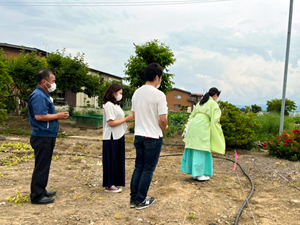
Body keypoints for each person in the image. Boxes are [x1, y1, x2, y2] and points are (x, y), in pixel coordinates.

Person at [130, 62, 168, 210]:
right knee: (148, 169)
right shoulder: (159, 95)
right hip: (153, 136)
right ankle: (141, 199)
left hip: (139, 135)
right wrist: (164, 128)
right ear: (157, 77)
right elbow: (163, 119)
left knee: (138, 166)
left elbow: (134, 114)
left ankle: (134, 198)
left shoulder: (136, 93)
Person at [28, 69, 69, 204]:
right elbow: (39, 116)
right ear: (44, 82)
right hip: (42, 136)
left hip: (47, 135)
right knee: (41, 165)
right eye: (53, 81)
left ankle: (41, 190)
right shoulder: (39, 95)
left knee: (44, 165)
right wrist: (58, 116)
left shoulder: (43, 94)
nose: (54, 83)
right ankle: (37, 196)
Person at [180, 87, 225, 181]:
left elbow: (192, 115)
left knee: (194, 147)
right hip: (203, 125)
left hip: (193, 124)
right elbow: (216, 118)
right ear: (215, 95)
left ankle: (195, 173)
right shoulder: (213, 103)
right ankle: (199, 173)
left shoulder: (200, 103)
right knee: (201, 148)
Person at [102, 83, 134, 193]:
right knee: (111, 160)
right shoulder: (109, 105)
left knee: (117, 160)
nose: (121, 95)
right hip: (111, 137)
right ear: (114, 93)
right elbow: (111, 122)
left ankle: (115, 181)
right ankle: (109, 184)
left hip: (118, 135)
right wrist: (126, 119)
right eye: (120, 93)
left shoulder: (116, 105)